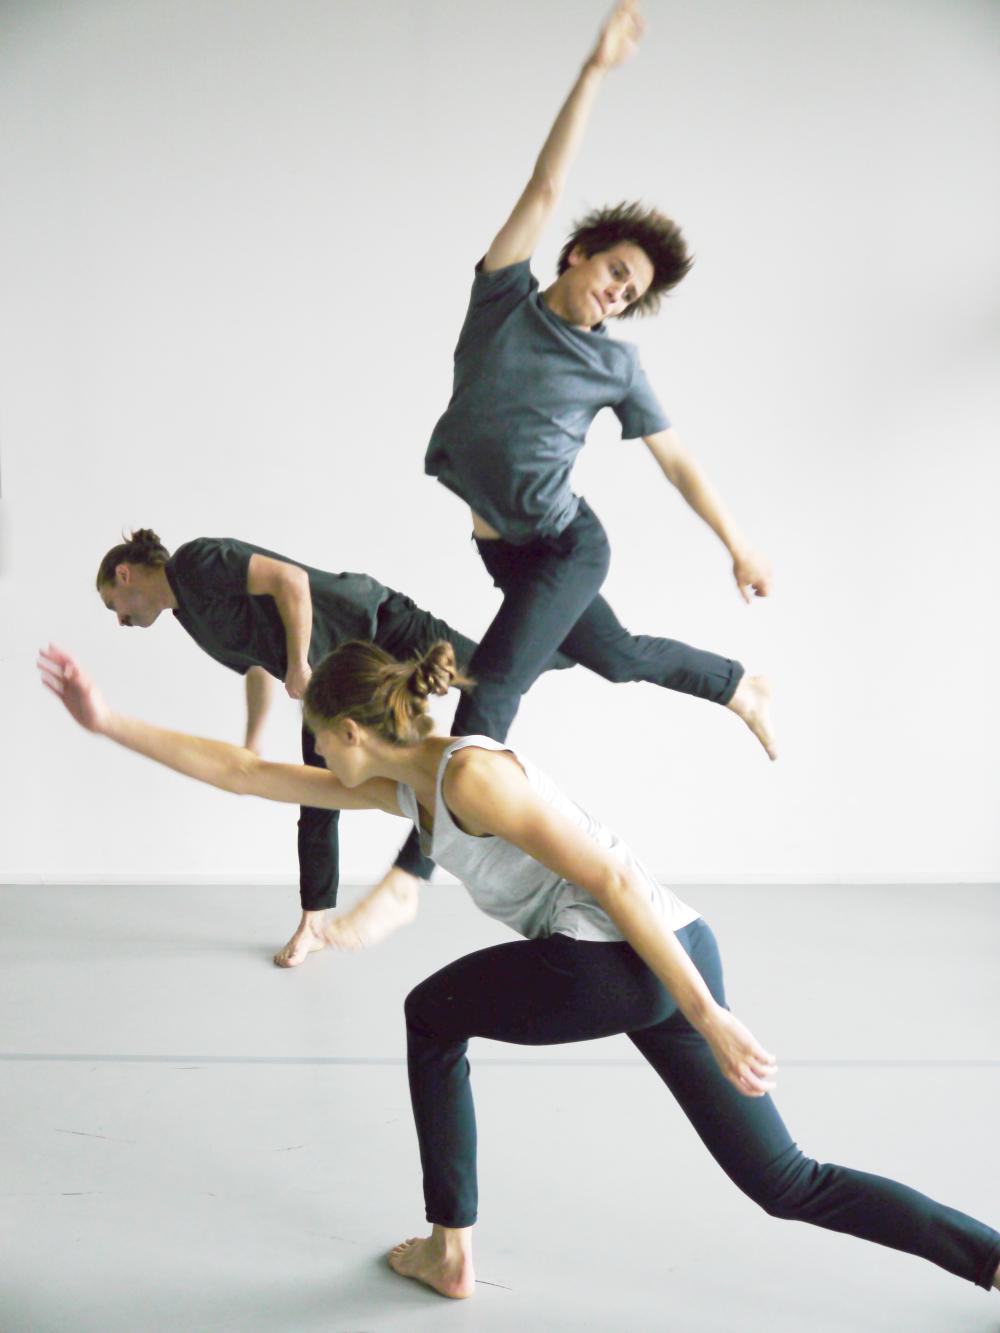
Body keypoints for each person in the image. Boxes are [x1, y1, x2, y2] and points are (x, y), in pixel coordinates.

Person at [38, 642, 1000, 1304]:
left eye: (317, 733)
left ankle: (449, 1248)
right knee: (787, 1182)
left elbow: (612, 876)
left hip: (631, 959)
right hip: (668, 951)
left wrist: (708, 1014)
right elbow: (245, 775)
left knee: (431, 1013)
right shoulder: (408, 786)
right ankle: (992, 1261)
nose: (314, 750)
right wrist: (107, 720)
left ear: (352, 729)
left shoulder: (469, 775)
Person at [425, 0, 777, 757]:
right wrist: (594, 70)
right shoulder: (501, 300)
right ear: (580, 252)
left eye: (631, 292)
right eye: (617, 271)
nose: (619, 293)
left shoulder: (616, 364)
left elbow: (677, 463)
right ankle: (739, 687)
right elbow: (546, 187)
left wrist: (739, 545)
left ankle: (435, 833)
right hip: (502, 549)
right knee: (615, 658)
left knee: (492, 686)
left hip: (565, 545)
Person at [96, 527, 566, 965]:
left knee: (496, 676)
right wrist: (252, 741)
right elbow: (256, 667)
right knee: (317, 793)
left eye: (112, 604)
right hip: (333, 681)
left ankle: (572, 636)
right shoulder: (190, 617)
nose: (119, 619)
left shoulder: (195, 562)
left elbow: (290, 580)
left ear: (125, 573)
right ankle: (313, 924)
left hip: (378, 624)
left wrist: (299, 665)